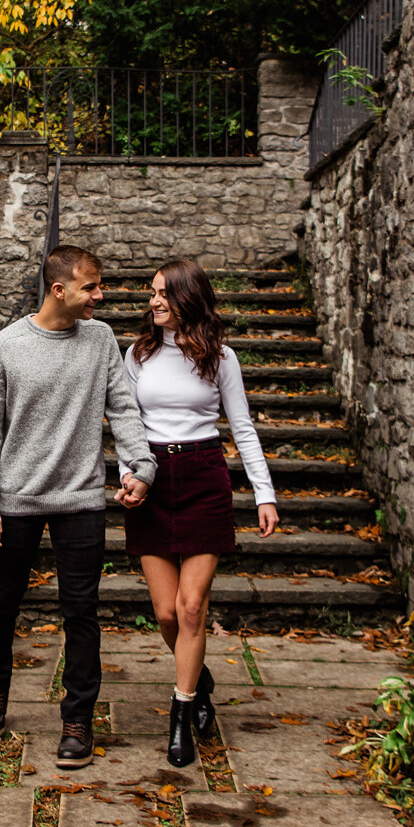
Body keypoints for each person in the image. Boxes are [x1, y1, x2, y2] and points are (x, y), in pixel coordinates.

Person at [0, 243, 156, 769]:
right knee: (2, 604)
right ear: (60, 290)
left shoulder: (99, 341)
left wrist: (139, 465)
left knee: (82, 611)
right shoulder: (5, 347)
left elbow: (122, 408)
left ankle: (77, 722)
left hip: (81, 499)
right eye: (92, 286)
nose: (102, 294)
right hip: (16, 498)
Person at [122, 258, 279, 767]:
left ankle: (182, 713)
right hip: (152, 480)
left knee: (193, 608)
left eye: (164, 292)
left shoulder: (220, 358)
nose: (154, 301)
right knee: (167, 613)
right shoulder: (138, 354)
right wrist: (132, 474)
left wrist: (264, 493)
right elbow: (127, 423)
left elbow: (244, 428)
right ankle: (201, 678)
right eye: (152, 292)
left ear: (189, 297)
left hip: (204, 476)